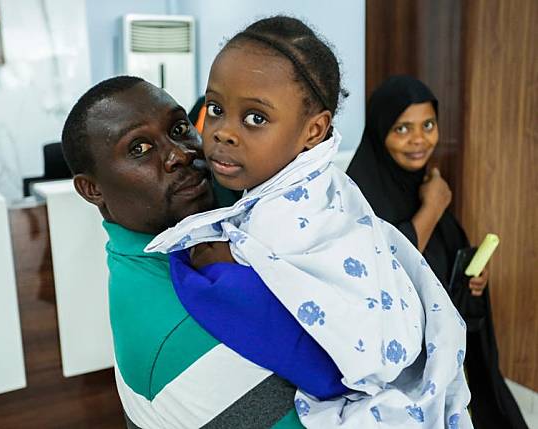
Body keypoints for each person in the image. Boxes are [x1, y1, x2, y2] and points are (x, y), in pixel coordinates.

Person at [147, 16, 472, 428]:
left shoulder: (301, 207)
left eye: (256, 119)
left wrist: (212, 263)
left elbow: (326, 360)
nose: (223, 132)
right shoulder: (283, 183)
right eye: (215, 109)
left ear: (314, 130)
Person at [61, 75, 320, 428]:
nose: (181, 154)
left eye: (180, 128)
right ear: (92, 189)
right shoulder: (178, 328)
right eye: (139, 149)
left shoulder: (206, 236)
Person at [346, 75, 528, 429]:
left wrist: (470, 279)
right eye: (402, 128)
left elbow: (439, 267)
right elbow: (379, 270)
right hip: (400, 371)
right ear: (380, 132)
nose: (418, 140)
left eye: (428, 125)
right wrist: (432, 209)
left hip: (442, 353)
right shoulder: (361, 195)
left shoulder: (425, 184)